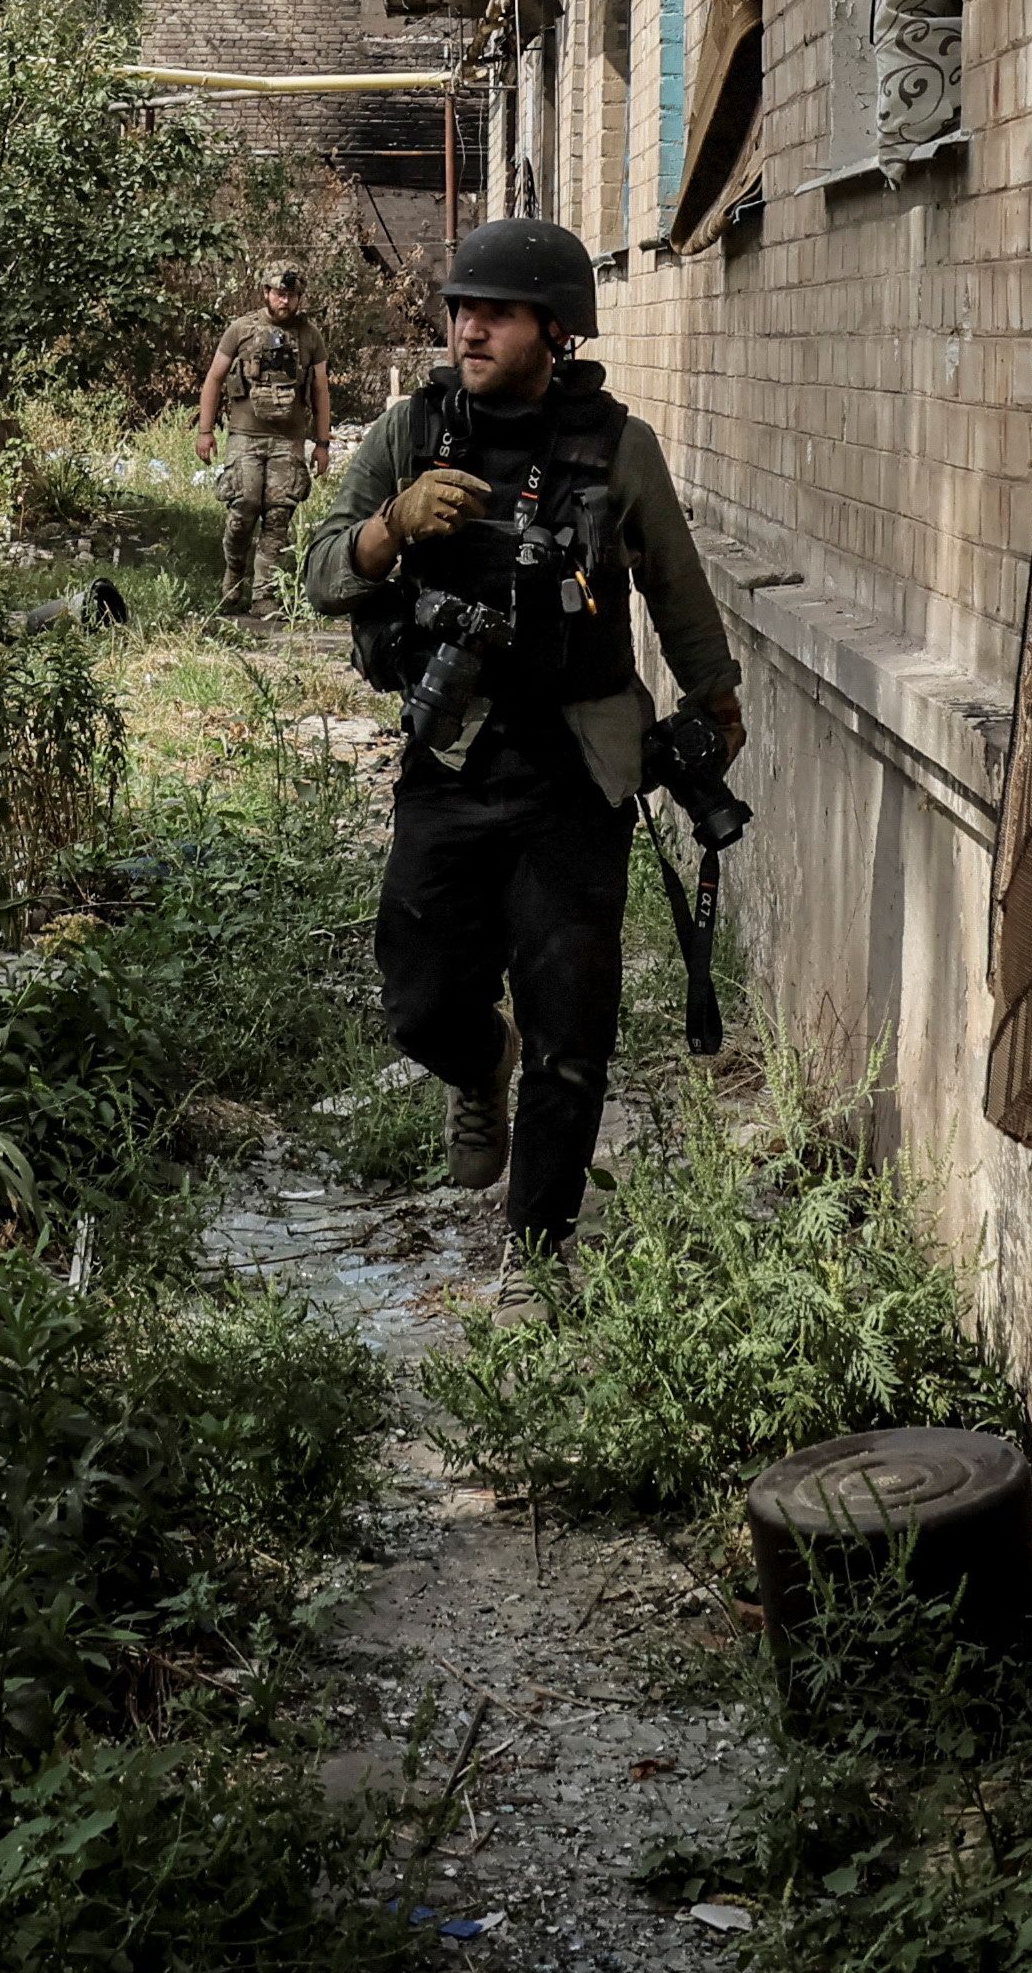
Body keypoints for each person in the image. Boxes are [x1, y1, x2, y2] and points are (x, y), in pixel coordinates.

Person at [302, 215, 743, 1247]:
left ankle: (537, 1253)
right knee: (419, 1002)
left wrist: (714, 704)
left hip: (577, 773)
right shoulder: (411, 434)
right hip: (451, 754)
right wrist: (390, 527)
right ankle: (475, 1061)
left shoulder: (617, 447)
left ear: (557, 329)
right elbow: (320, 573)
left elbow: (678, 590)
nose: (471, 328)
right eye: (462, 308)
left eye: (498, 311)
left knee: (573, 1033)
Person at [194, 260, 331, 620]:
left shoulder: (309, 335)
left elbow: (320, 389)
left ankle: (264, 595)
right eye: (280, 293)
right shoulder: (241, 330)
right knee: (243, 509)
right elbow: (214, 378)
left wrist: (323, 443)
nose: (286, 302)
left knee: (278, 516)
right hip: (245, 437)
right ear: (266, 293)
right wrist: (205, 431)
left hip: (289, 441)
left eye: (293, 295)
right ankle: (234, 575)